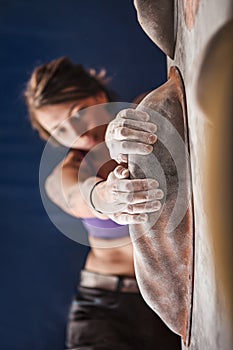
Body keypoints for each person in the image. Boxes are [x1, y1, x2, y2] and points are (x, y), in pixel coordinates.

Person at [24, 56, 181, 349]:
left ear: (97, 95)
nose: (76, 133)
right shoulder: (66, 173)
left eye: (78, 113)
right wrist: (104, 197)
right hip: (108, 307)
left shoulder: (146, 114)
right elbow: (74, 195)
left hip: (178, 295)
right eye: (59, 130)